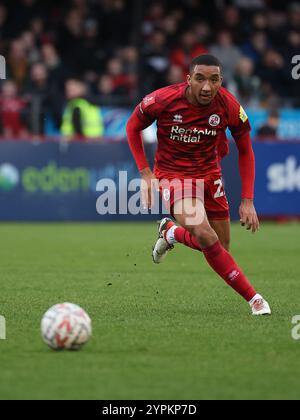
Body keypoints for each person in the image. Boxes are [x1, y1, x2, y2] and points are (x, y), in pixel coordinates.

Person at [126, 54, 271, 316]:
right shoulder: (163, 100)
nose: (207, 87)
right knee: (205, 235)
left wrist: (247, 200)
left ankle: (171, 233)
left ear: (221, 81)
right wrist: (146, 173)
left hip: (209, 174)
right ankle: (255, 299)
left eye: (214, 80)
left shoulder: (228, 105)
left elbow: (246, 151)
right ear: (188, 79)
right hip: (174, 175)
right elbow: (132, 126)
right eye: (200, 79)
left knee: (220, 247)